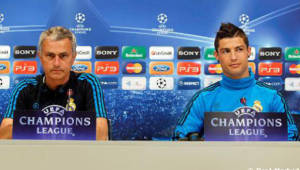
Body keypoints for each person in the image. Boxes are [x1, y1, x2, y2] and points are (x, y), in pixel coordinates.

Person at [174, 23, 299, 141]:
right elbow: (179, 138)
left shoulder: (272, 96)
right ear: (217, 56)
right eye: (226, 51)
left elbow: (292, 138)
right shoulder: (203, 98)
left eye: (239, 49)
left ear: (248, 51)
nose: (233, 57)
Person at [0, 26, 108, 140]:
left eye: (63, 56)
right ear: (40, 57)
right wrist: (63, 129)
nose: (56, 63)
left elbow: (101, 134)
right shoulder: (25, 88)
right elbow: (4, 135)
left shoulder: (88, 83)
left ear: (73, 57)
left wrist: (39, 128)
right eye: (50, 56)